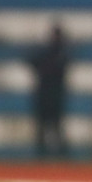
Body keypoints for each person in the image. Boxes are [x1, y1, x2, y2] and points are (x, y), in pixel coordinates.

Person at [30, 23, 69, 157]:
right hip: (44, 94)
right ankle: (41, 156)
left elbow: (56, 68)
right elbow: (33, 62)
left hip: (56, 94)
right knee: (42, 127)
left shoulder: (62, 53)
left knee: (56, 127)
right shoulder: (45, 52)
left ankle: (61, 157)